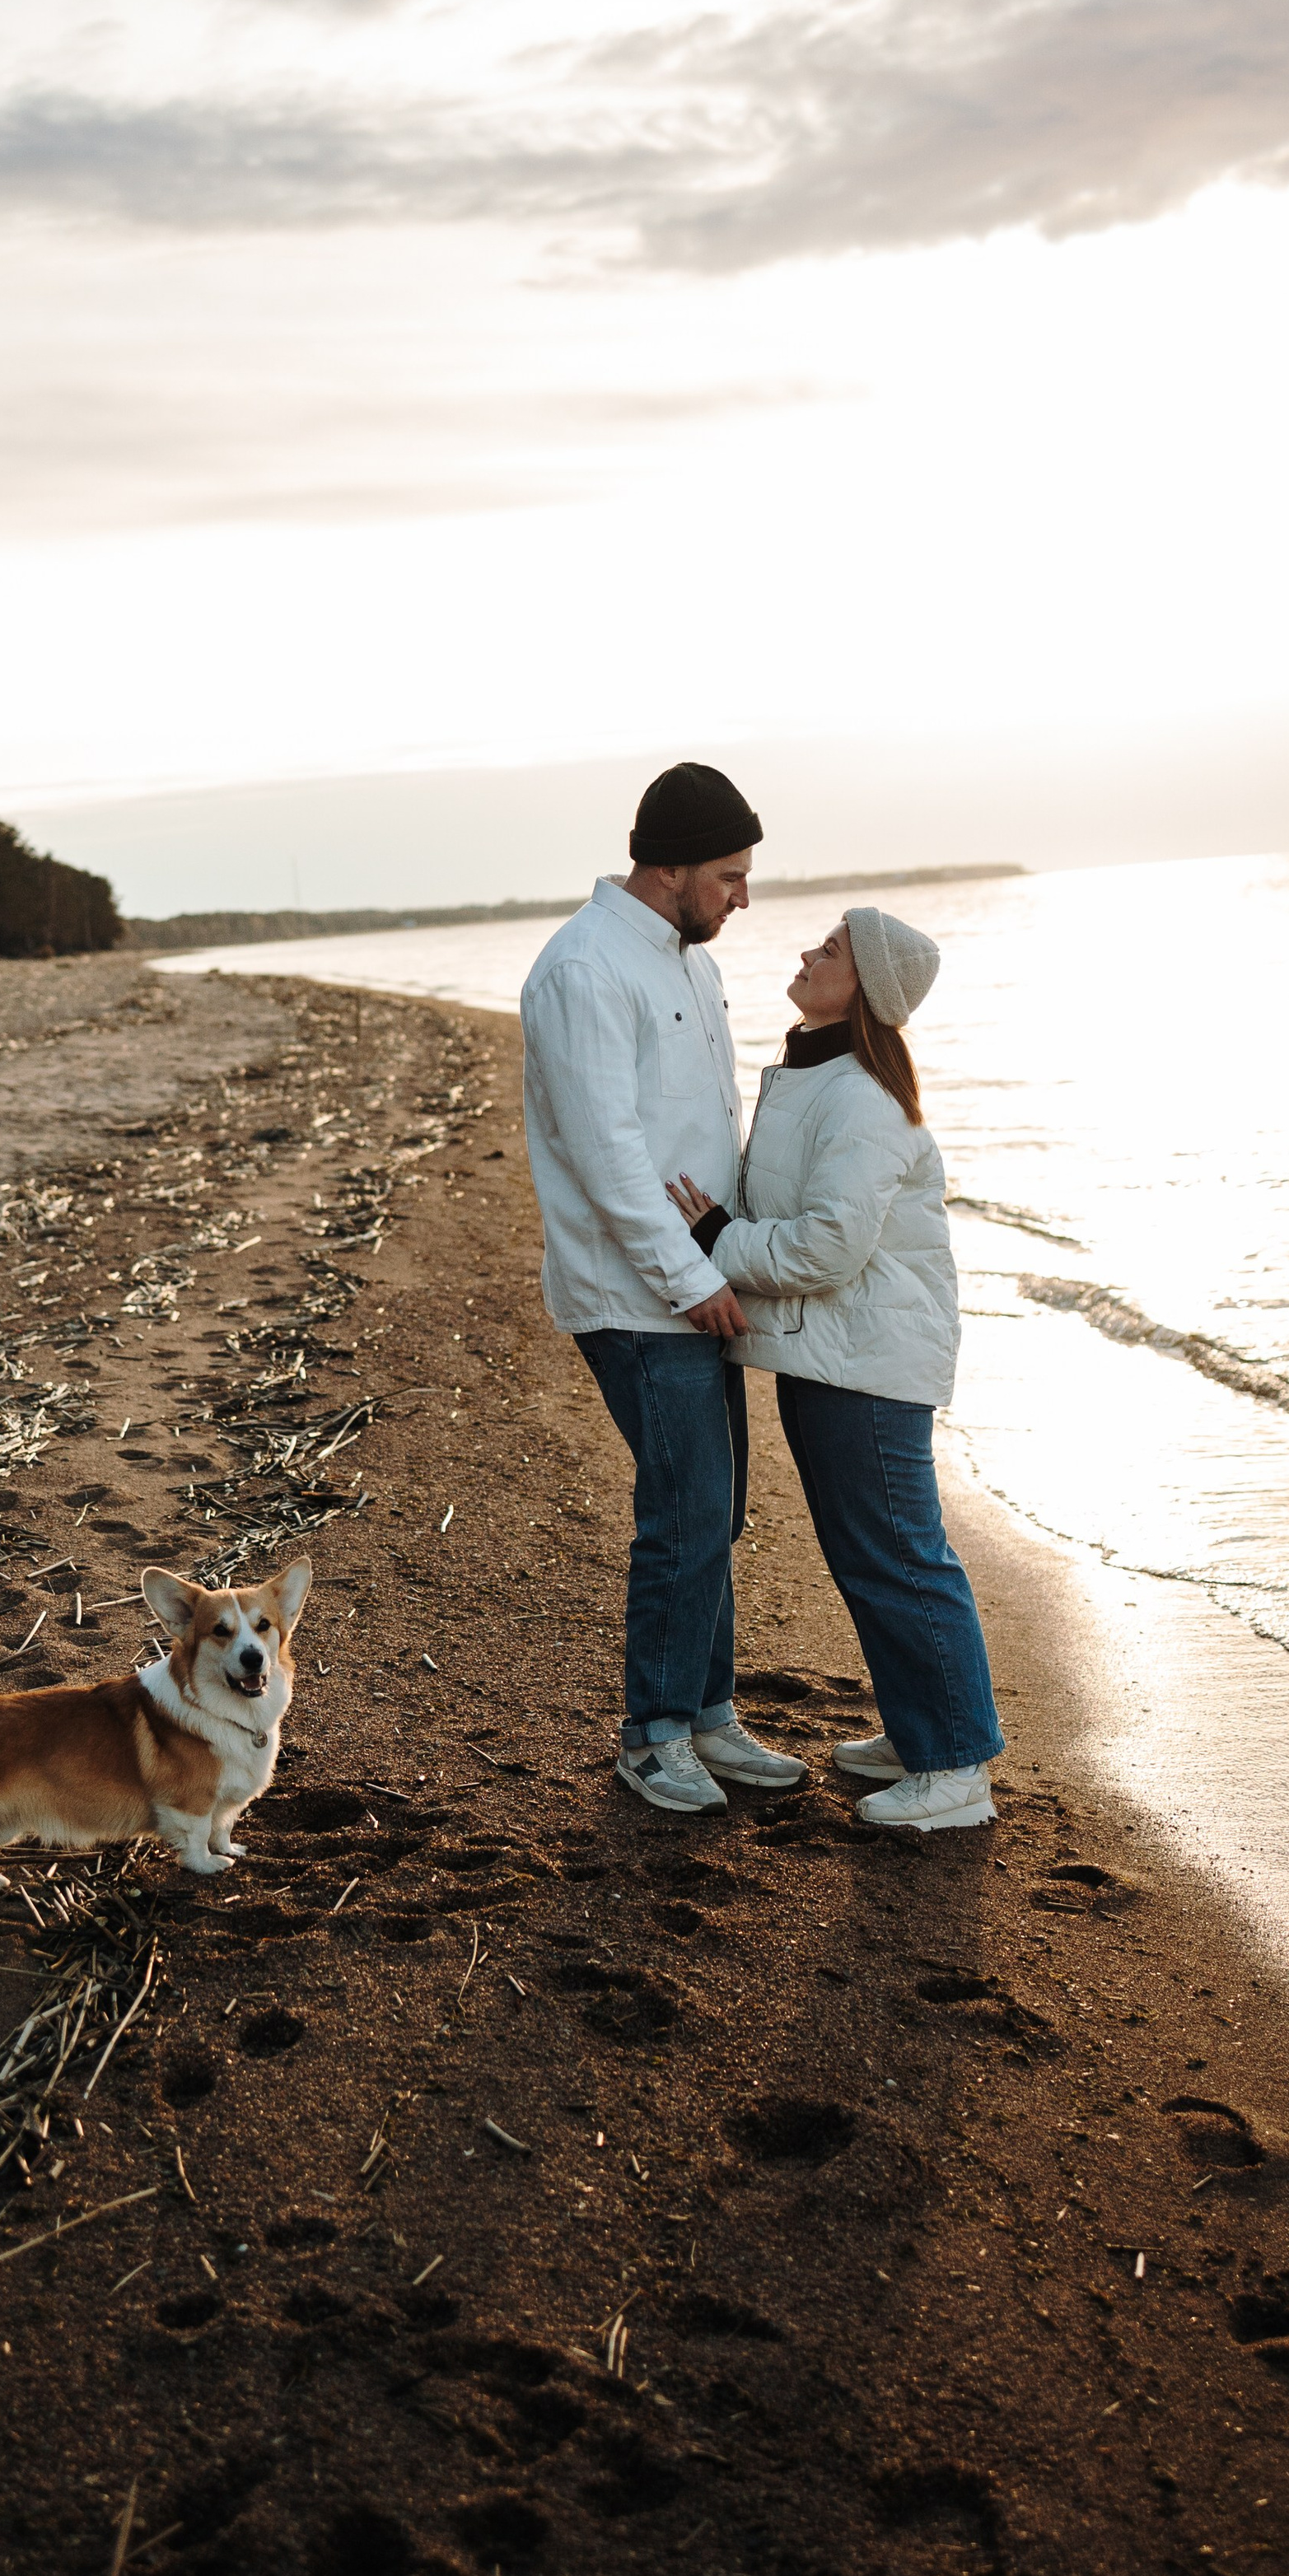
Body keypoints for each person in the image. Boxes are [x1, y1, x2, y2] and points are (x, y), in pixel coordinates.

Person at [667, 907, 1003, 1831]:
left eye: (832, 950)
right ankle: (918, 1730)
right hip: (833, 1356)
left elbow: (825, 1250)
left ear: (865, 988)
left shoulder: (859, 1097)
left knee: (901, 1559)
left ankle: (956, 1769)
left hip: (871, 1364)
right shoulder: (816, 1077)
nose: (809, 954)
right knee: (869, 1557)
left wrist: (716, 1239)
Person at [519, 763, 806, 1815]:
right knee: (683, 1513)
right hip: (636, 1299)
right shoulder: (585, 969)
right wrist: (690, 1282)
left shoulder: (686, 962)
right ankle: (653, 1738)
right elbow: (607, 1155)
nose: (743, 896)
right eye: (729, 875)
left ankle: (710, 1716)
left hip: (693, 1283)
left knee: (714, 1511)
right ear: (672, 864)